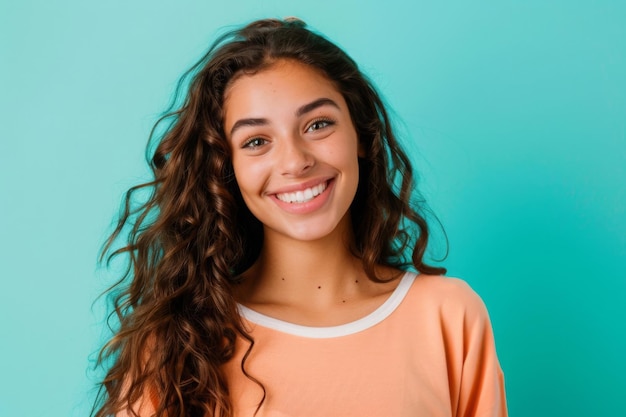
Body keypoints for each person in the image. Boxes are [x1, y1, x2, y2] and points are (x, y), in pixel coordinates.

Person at [93, 18, 507, 417]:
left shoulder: (448, 316)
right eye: (256, 141)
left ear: (361, 136)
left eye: (318, 124)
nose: (295, 161)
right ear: (227, 169)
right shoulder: (177, 344)